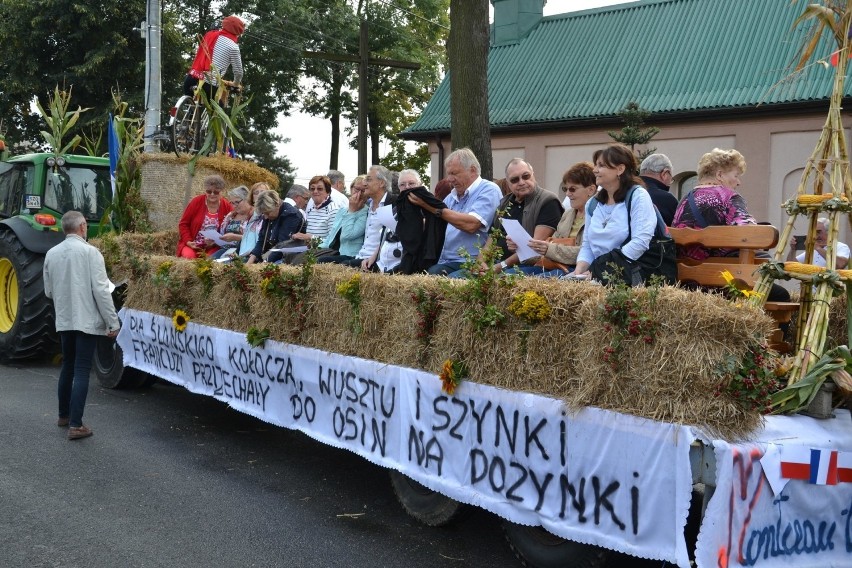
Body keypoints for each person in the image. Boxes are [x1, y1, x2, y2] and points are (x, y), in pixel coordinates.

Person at [44, 211, 120, 440]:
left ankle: (63, 416)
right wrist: (112, 321)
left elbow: (48, 291)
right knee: (81, 370)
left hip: (65, 319)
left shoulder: (51, 253)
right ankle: (76, 425)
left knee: (68, 366)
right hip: (86, 320)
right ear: (83, 227)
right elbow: (101, 291)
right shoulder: (91, 253)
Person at [567, 143, 675, 286]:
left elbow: (640, 242)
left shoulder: (638, 196)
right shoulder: (593, 204)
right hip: (600, 273)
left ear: (620, 169)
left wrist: (600, 270)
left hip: (633, 274)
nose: (595, 170)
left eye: (601, 165)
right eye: (596, 165)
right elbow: (588, 245)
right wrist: (579, 271)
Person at [453, 158, 561, 276]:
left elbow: (533, 250)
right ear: (508, 183)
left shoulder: (548, 201)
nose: (521, 182)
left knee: (500, 282)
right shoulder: (504, 203)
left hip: (530, 265)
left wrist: (499, 267)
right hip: (498, 264)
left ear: (533, 175)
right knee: (455, 277)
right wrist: (481, 263)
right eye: (514, 180)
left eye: (526, 176)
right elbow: (492, 240)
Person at [407, 148, 502, 275]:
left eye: (454, 173)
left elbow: (471, 225)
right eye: (448, 174)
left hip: (475, 261)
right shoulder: (451, 197)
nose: (450, 179)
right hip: (447, 261)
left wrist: (431, 207)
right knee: (421, 274)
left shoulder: (489, 189)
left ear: (472, 170)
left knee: (444, 279)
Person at [671, 148, 755, 260]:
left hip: (684, 269)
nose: (739, 182)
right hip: (721, 270)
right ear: (720, 175)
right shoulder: (729, 196)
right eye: (736, 176)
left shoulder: (685, 199)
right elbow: (748, 231)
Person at [519, 161, 597, 277]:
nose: (567, 194)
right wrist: (521, 247)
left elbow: (587, 252)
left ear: (591, 190)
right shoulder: (567, 214)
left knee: (533, 281)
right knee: (510, 275)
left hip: (576, 269)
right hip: (554, 265)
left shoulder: (597, 215)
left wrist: (548, 249)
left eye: (572, 189)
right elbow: (551, 244)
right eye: (565, 189)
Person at [319, 165, 395, 268]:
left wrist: (352, 211)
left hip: (374, 261)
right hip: (360, 256)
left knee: (337, 265)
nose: (364, 183)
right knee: (322, 261)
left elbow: (347, 235)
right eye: (356, 188)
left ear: (381, 183)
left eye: (368, 179)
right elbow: (332, 236)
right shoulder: (371, 205)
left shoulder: (390, 205)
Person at [366, 169, 422, 273]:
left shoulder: (425, 209)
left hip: (404, 266)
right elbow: (384, 236)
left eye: (411, 183)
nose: (407, 187)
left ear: (420, 185)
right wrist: (373, 257)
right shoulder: (395, 208)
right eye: (402, 184)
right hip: (382, 264)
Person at [183, 16, 245, 99]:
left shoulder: (210, 34)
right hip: (209, 85)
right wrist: (235, 84)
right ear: (238, 33)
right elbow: (238, 72)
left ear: (224, 25)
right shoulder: (233, 47)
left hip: (191, 78)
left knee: (190, 107)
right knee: (219, 108)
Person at [176, 175, 234, 258]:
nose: (212, 194)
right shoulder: (196, 202)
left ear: (222, 191)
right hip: (193, 244)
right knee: (189, 257)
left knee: (209, 262)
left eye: (216, 192)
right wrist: (188, 241)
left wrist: (215, 242)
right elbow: (183, 224)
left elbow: (231, 227)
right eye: (209, 191)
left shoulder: (227, 206)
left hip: (214, 246)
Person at [246, 190, 305, 264]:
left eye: (267, 213)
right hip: (271, 253)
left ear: (277, 204)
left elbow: (282, 245)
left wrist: (263, 264)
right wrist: (249, 263)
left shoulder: (291, 215)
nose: (266, 217)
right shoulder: (268, 214)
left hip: (288, 256)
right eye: (263, 213)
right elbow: (262, 240)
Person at [291, 176, 339, 243]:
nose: (315, 191)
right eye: (312, 189)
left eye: (320, 189)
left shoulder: (333, 210)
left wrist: (309, 237)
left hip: (324, 252)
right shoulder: (311, 209)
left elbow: (332, 242)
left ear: (328, 192)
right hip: (310, 251)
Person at [211, 186, 252, 259]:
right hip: (225, 249)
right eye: (232, 203)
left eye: (237, 202)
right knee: (207, 264)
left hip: (244, 252)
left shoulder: (254, 216)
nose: (234, 206)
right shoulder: (230, 216)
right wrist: (214, 240)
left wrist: (235, 237)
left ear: (247, 199)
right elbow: (222, 234)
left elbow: (255, 239)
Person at [639, 153, 679, 226]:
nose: (670, 182)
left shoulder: (625, 191)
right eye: (671, 179)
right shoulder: (667, 199)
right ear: (665, 174)